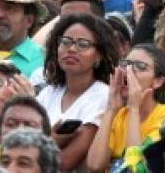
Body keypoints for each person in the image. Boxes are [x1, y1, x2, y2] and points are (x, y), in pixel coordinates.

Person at [36, 13, 117, 171]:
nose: (72, 49)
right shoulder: (48, 93)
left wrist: (46, 142)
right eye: (66, 42)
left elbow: (65, 162)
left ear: (99, 55)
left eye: (83, 44)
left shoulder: (103, 96)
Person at [86, 43, 165, 172]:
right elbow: (95, 165)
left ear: (158, 82)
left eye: (140, 67)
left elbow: (135, 168)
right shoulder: (118, 114)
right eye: (126, 64)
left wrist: (134, 109)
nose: (128, 71)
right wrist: (110, 108)